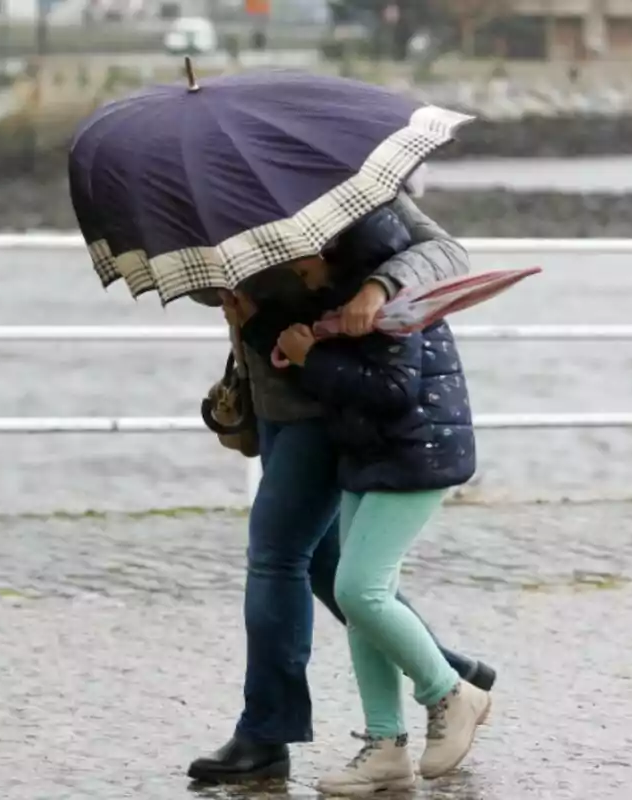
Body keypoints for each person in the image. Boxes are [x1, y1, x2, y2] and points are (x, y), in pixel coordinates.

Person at [187, 194, 497, 784]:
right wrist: (225, 285)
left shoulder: (346, 183)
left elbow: (442, 252)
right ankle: (426, 694)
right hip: (277, 393)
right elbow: (208, 283)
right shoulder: (218, 182)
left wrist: (375, 288)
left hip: (330, 399)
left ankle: (266, 733)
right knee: (335, 568)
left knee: (280, 556)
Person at [264, 212, 488, 794]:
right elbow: (351, 374)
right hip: (369, 456)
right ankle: (384, 745)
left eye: (300, 259)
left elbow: (393, 390)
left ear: (333, 248)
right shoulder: (345, 294)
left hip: (416, 455)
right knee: (366, 598)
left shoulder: (386, 296)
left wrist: (313, 356)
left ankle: (449, 692)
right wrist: (290, 340)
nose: (295, 271)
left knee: (356, 590)